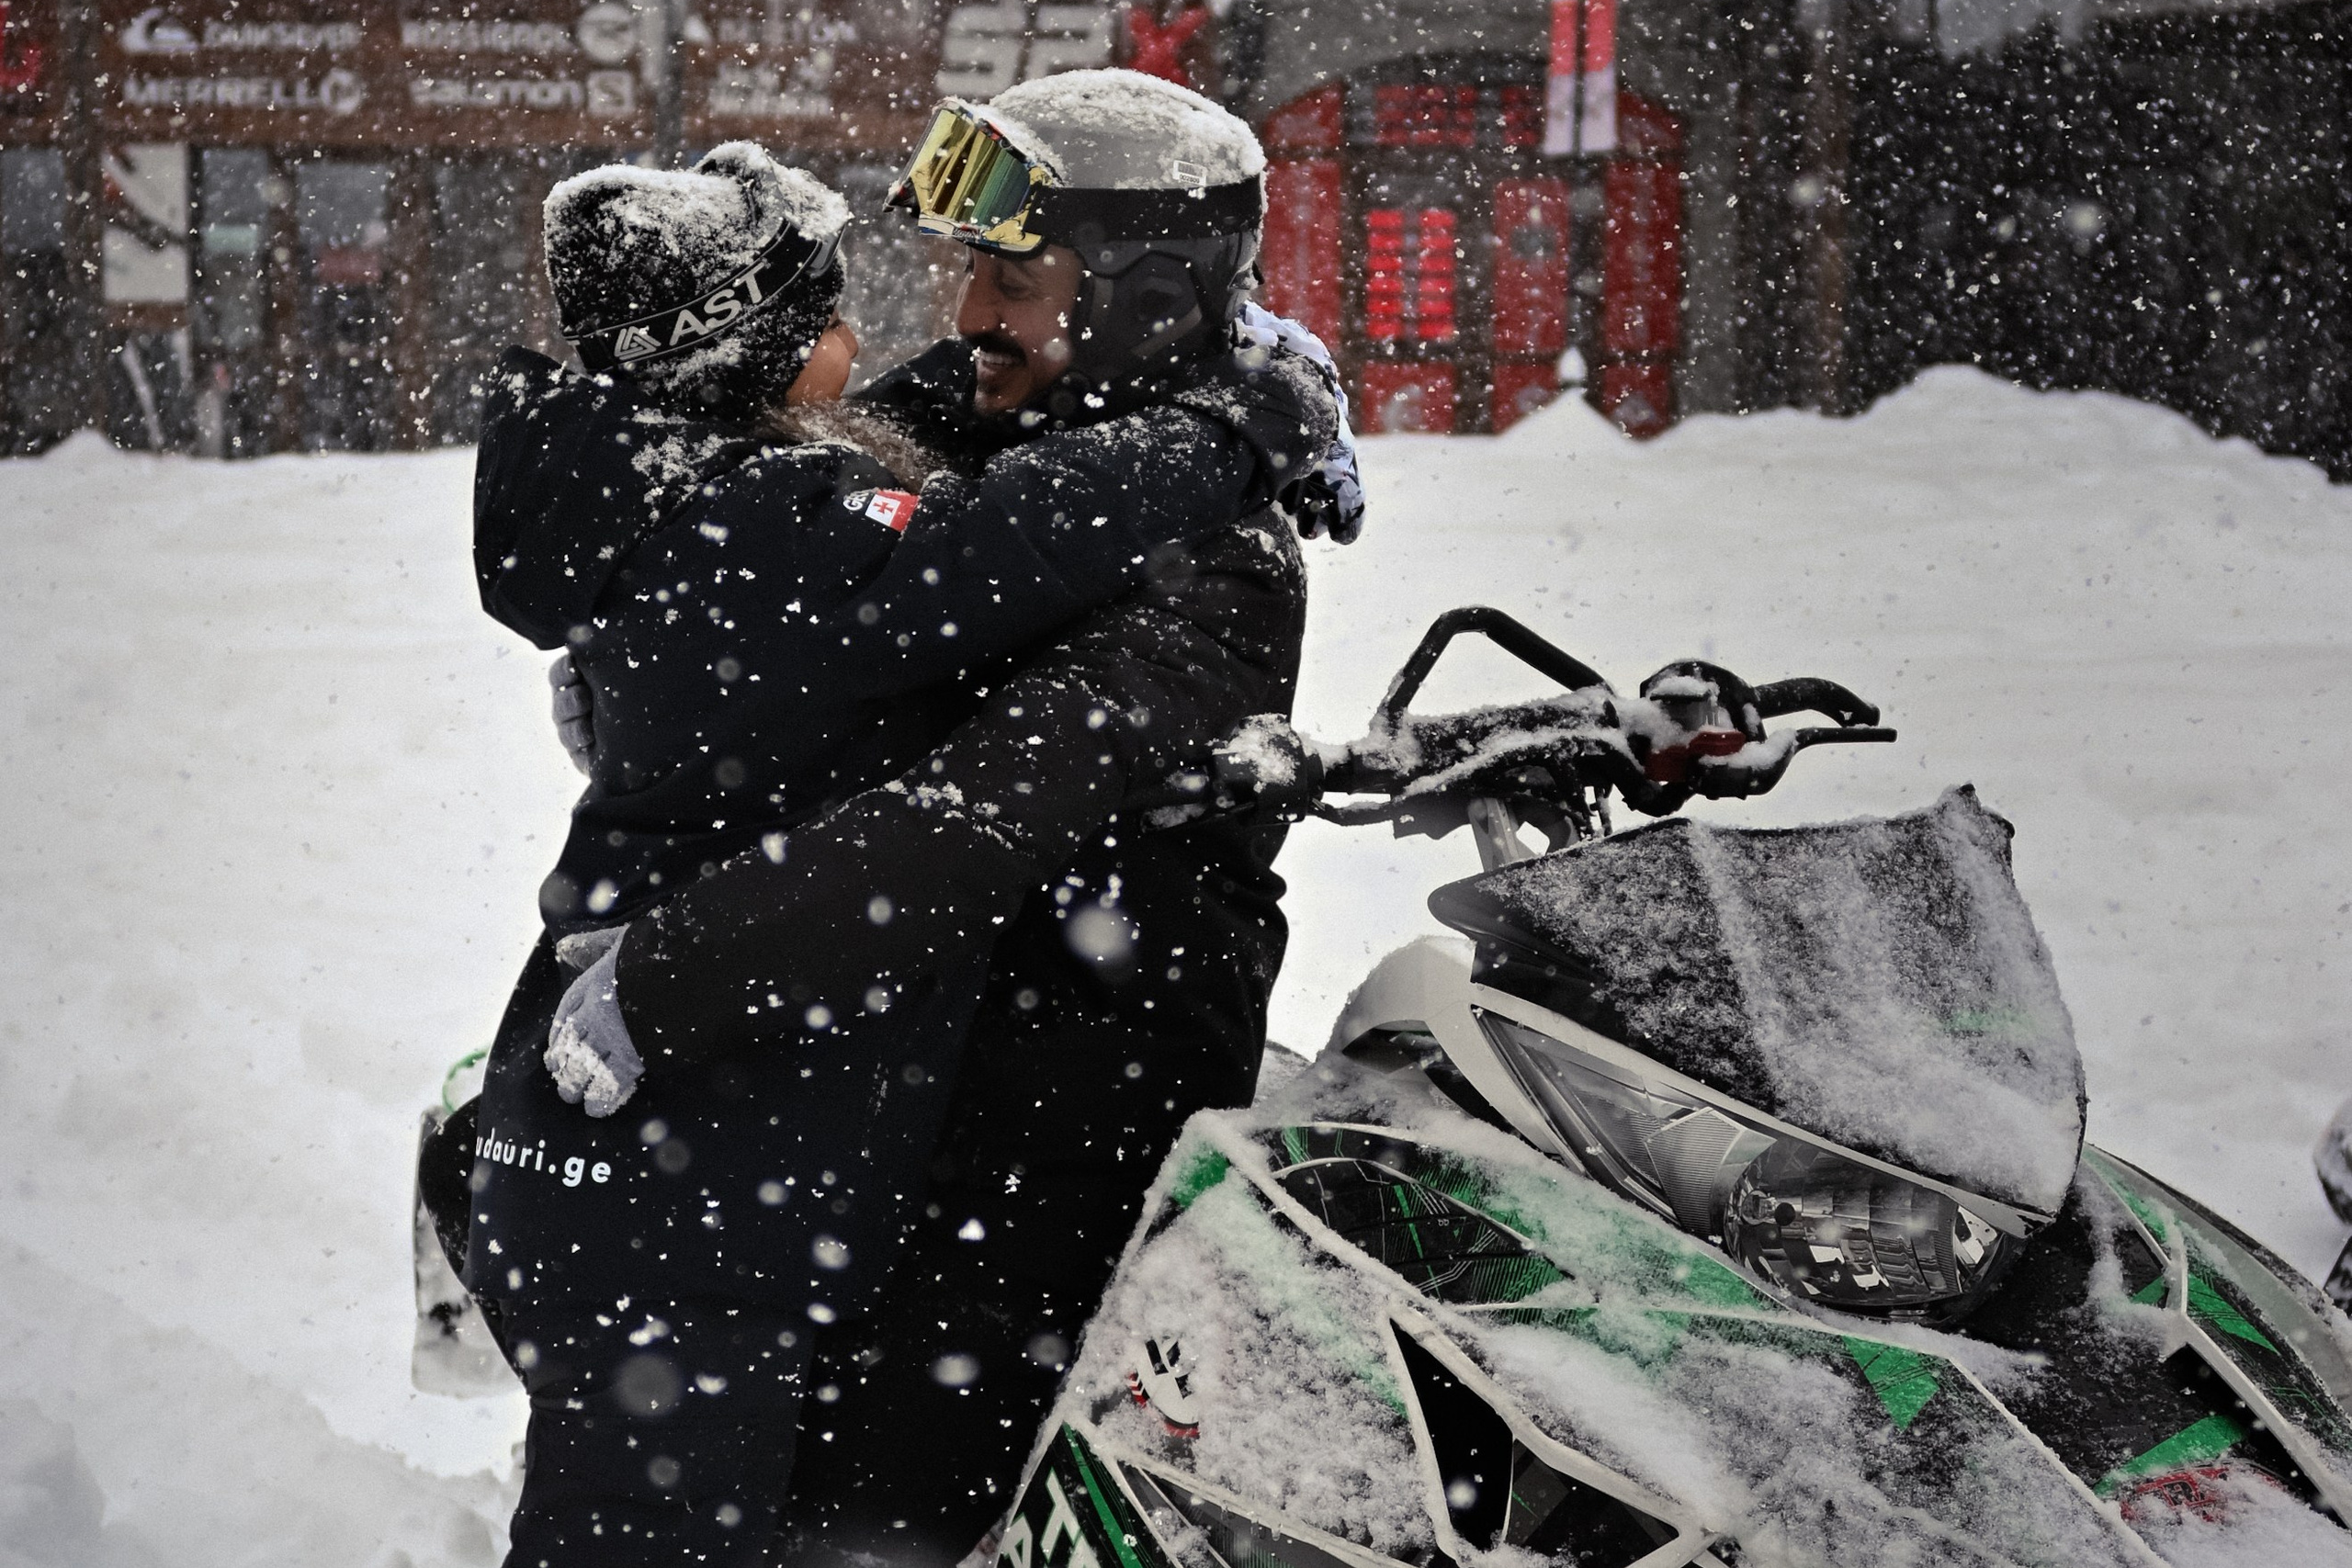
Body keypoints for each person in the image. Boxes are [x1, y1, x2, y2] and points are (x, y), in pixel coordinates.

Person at [436, 90, 1350, 1568]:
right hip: (852, 1112)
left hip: (1034, 1154)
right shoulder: (995, 429)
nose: (966, 312)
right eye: (965, 268)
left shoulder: (1205, 556)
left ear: (1146, 302)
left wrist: (670, 971)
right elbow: (801, 439)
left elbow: (959, 826)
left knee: (878, 1535)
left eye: (1013, 278)